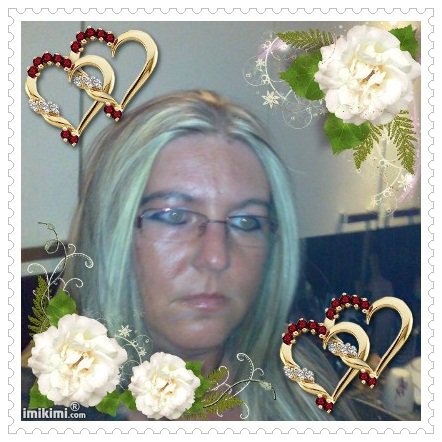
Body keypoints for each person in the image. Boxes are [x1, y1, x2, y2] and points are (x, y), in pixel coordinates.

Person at [62, 90, 356, 421]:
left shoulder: (302, 380)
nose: (216, 258)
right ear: (111, 232)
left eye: (247, 222)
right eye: (175, 216)